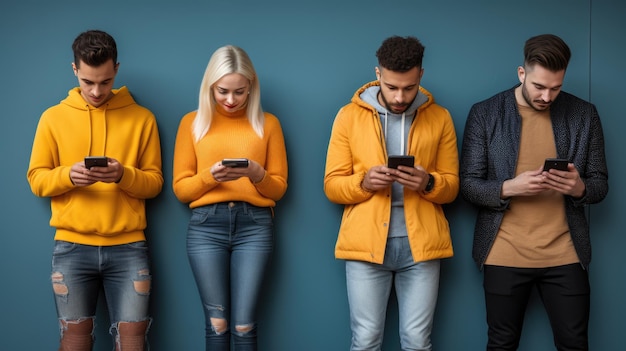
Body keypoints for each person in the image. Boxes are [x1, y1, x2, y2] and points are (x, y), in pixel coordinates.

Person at [460, 34, 609, 351]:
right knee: (501, 343)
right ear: (521, 73)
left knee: (574, 344)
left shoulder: (584, 114)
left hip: (566, 254)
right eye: (539, 86)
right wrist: (510, 187)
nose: (546, 96)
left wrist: (579, 188)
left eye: (555, 87)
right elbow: (468, 185)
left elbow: (600, 183)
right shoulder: (486, 113)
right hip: (503, 252)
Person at [26, 30, 163, 351]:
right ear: (74, 70)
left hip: (129, 249)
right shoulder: (52, 118)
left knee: (132, 343)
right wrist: (68, 176)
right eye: (88, 82)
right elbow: (36, 180)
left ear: (116, 68)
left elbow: (154, 183)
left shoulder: (142, 119)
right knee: (73, 342)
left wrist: (123, 175)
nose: (97, 91)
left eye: (104, 81)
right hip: (71, 249)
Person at [324, 35, 459, 351]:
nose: (400, 96)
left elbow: (452, 187)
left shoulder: (440, 118)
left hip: (422, 247)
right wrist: (365, 183)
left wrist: (427, 182)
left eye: (409, 88)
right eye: (392, 87)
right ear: (378, 75)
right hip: (366, 245)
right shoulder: (348, 116)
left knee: (417, 341)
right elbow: (331, 185)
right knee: (366, 339)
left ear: (420, 77)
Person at [172, 45, 288, 350]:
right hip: (205, 227)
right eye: (223, 91)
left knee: (244, 325)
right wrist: (211, 176)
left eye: (240, 92)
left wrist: (256, 174)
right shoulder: (192, 123)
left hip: (255, 225)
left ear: (252, 87)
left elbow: (279, 188)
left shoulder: (269, 124)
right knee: (217, 325)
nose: (231, 100)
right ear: (210, 86)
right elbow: (181, 190)